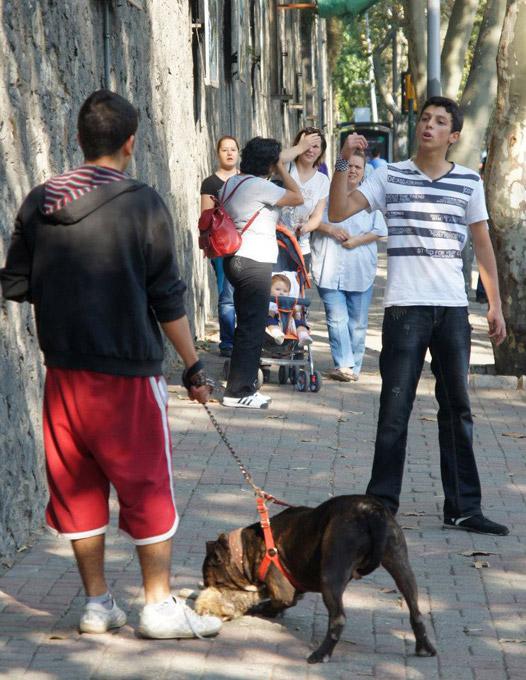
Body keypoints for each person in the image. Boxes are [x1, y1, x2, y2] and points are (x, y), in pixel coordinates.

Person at [0, 90, 223, 638]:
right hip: (128, 375)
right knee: (147, 486)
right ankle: (156, 606)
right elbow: (167, 299)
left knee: (77, 488)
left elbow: (17, 283)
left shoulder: (39, 202)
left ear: (79, 140)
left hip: (64, 375)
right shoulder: (143, 202)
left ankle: (98, 605)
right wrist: (193, 367)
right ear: (130, 143)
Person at [328, 96, 509, 536]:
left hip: (452, 311)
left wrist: (495, 304)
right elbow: (338, 212)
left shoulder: (468, 181)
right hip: (404, 309)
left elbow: (482, 244)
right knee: (395, 408)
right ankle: (380, 504)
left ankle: (464, 507)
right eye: (425, 118)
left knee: (457, 410)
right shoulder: (389, 175)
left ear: (454, 135)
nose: (429, 125)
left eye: (440, 121)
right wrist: (343, 162)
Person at [220, 136, 304, 409]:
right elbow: (298, 196)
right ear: (269, 164)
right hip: (254, 261)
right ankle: (239, 391)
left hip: (234, 260)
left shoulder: (231, 183)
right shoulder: (259, 186)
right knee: (252, 328)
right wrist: (281, 168)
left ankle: (241, 386)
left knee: (246, 326)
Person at [311, 149, 387, 382]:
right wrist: (330, 228)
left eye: (358, 167)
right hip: (328, 263)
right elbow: (309, 220)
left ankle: (353, 366)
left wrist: (357, 240)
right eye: (350, 166)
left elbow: (380, 230)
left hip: (360, 266)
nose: (353, 170)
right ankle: (343, 365)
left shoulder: (370, 199)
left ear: (364, 172)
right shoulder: (326, 193)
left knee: (357, 322)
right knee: (336, 318)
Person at [200, 136, 240, 357]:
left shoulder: (244, 179)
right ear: (218, 153)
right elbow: (205, 218)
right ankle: (227, 342)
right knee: (226, 293)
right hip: (220, 244)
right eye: (224, 149)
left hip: (244, 243)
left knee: (241, 292)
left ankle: (242, 337)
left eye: (233, 149)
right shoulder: (210, 183)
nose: (229, 153)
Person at [279, 127, 330, 272]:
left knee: (296, 293)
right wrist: (300, 147)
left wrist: (307, 227)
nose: (310, 150)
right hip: (276, 242)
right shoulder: (287, 166)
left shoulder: (322, 181)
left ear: (321, 151)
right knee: (275, 292)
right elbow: (276, 158)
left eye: (315, 146)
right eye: (307, 145)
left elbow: (317, 216)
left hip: (301, 247)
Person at [265, 273, 312, 347]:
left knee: (300, 323)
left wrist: (296, 312)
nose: (281, 293)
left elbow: (296, 313)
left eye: (285, 291)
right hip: (274, 324)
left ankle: (303, 336)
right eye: (278, 289)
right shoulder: (268, 300)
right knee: (269, 321)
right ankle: (278, 334)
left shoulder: (291, 302)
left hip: (289, 323)